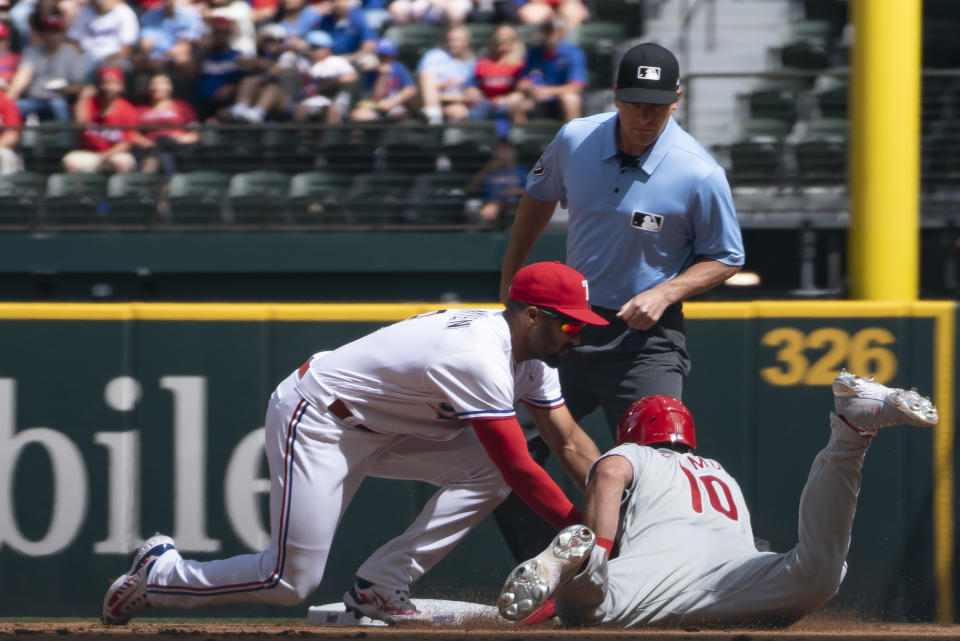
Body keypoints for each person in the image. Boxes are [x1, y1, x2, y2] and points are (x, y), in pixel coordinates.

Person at [101, 261, 608, 627]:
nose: (577, 335)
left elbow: (567, 441)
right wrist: (577, 532)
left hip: (393, 426)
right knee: (287, 583)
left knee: (487, 473)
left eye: (582, 324)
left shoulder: (537, 360)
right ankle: (162, 573)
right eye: (569, 323)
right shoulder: (478, 354)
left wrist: (606, 522)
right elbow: (521, 467)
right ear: (531, 316)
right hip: (322, 420)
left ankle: (380, 586)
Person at [494, 42, 745, 562]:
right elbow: (538, 199)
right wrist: (511, 272)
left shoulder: (699, 172)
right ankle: (556, 575)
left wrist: (668, 289)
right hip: (566, 331)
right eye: (634, 102)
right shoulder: (575, 138)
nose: (644, 115)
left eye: (656, 103)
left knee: (658, 469)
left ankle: (666, 579)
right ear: (616, 97)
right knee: (505, 452)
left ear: (676, 100)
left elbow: (727, 256)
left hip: (645, 338)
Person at [496, 371, 939, 626]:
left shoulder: (631, 453)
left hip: (656, 576)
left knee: (583, 611)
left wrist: (604, 551)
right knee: (819, 572)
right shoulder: (720, 473)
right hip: (735, 578)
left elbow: (609, 470)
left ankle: (582, 567)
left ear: (634, 433)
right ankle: (850, 433)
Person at [7, 14, 87, 123]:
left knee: (58, 105)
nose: (51, 36)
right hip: (34, 100)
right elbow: (23, 77)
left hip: (58, 99)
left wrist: (65, 89)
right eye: (47, 31)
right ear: (42, 34)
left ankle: (65, 139)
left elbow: (78, 85)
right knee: (13, 106)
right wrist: (9, 98)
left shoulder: (70, 53)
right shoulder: (31, 52)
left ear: (62, 34)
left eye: (55, 32)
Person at [62, 66, 138, 173]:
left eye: (114, 83)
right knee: (70, 162)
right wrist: (82, 97)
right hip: (89, 153)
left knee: (121, 163)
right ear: (99, 85)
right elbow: (80, 124)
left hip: (115, 154)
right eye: (105, 83)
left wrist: (105, 155)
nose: (109, 87)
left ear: (121, 86)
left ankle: (117, 189)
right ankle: (80, 190)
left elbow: (126, 143)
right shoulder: (88, 103)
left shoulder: (128, 109)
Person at [516, 19, 586, 123]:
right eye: (546, 30)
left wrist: (548, 91)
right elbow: (522, 84)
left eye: (552, 31)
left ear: (561, 32)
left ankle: (574, 137)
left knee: (571, 100)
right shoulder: (534, 53)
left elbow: (577, 86)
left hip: (559, 100)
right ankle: (520, 138)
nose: (548, 34)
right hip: (536, 99)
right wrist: (533, 89)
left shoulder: (573, 52)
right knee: (517, 100)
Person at [133, 72, 198, 174]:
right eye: (154, 84)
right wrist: (146, 143)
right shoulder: (139, 109)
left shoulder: (183, 107)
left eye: (162, 83)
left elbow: (196, 133)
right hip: (149, 149)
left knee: (164, 149)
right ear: (148, 87)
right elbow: (132, 134)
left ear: (170, 87)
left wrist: (181, 139)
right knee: (162, 153)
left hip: (178, 149)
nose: (158, 87)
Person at [415, 24, 475, 125]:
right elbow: (422, 81)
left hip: (454, 101)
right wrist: (443, 85)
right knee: (426, 74)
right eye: (450, 40)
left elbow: (471, 95)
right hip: (425, 100)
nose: (453, 43)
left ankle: (435, 121)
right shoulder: (435, 55)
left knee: (459, 112)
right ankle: (433, 113)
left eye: (458, 40)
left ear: (467, 42)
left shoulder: (472, 64)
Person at [349, 37, 417, 122]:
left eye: (389, 55)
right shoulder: (368, 71)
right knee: (360, 115)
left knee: (403, 115)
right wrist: (381, 76)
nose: (386, 58)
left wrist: (392, 103)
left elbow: (410, 89)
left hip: (394, 105)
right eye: (381, 55)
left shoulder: (399, 67)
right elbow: (376, 98)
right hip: (371, 107)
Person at [66, 0, 139, 70]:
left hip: (112, 60)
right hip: (86, 59)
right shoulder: (84, 11)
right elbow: (74, 41)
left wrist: (103, 61)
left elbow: (126, 49)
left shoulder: (124, 13)